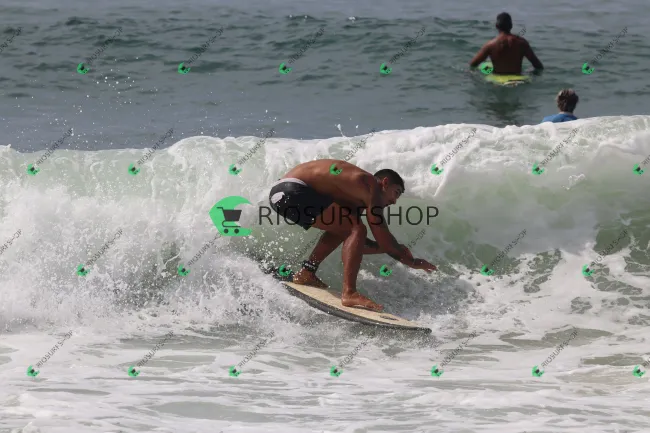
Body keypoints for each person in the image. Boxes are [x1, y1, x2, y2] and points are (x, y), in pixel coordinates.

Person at [268, 160, 437, 312]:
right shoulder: (370, 184)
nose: (394, 201)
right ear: (385, 183)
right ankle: (349, 293)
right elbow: (382, 236)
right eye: (396, 192)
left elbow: (358, 245)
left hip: (282, 194)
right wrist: (411, 261)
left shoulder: (353, 196)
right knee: (355, 228)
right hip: (292, 190)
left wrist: (385, 248)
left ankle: (306, 273)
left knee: (345, 228)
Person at [469, 12, 543, 75]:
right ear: (511, 26)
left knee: (483, 67)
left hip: (497, 81)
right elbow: (538, 66)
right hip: (518, 79)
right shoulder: (522, 43)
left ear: (496, 26)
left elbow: (473, 65)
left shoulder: (490, 45)